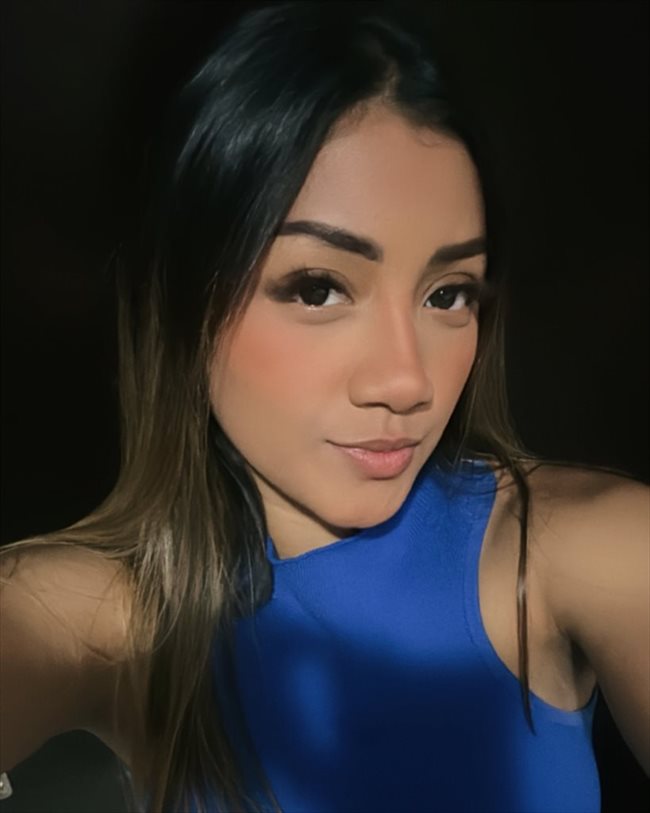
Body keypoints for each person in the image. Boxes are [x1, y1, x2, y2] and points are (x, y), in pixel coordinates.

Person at [1, 2, 648, 812]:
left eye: (449, 293)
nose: (406, 381)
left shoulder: (586, 552)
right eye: (318, 288)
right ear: (182, 303)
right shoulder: (93, 614)